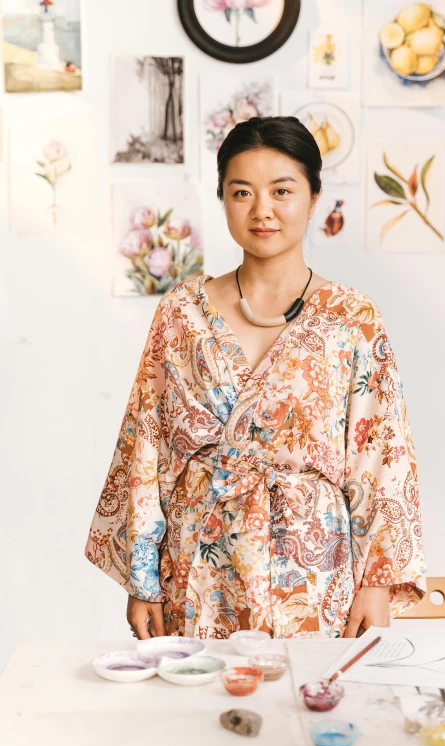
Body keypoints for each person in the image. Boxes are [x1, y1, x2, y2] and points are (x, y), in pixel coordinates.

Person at [85, 115, 427, 641]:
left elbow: (383, 457)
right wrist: (142, 579)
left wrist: (375, 581)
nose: (262, 210)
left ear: (314, 198)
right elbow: (144, 445)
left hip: (315, 570)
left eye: (282, 191)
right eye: (242, 191)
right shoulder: (183, 312)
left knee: (307, 712)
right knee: (201, 715)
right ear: (222, 197)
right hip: (197, 563)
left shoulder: (351, 318)